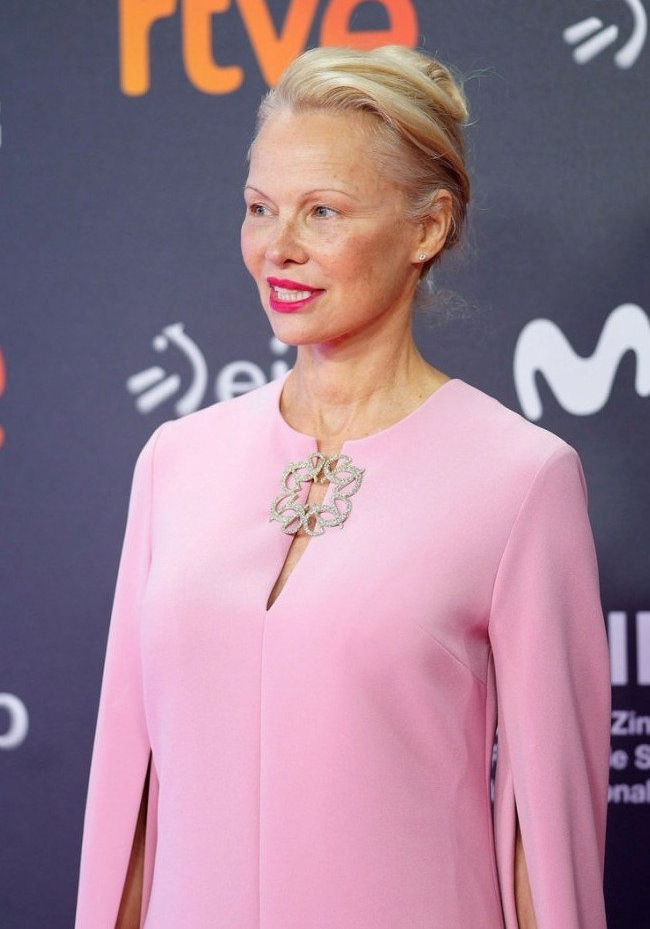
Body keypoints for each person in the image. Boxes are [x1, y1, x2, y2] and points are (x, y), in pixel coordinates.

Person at [74, 46, 610, 929]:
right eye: (260, 208)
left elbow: (542, 838)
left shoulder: (520, 478)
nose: (277, 249)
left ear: (427, 229)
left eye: (322, 211)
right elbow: (129, 795)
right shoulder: (176, 461)